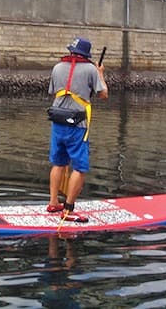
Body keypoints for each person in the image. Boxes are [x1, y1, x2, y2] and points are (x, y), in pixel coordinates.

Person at [46, 37, 108, 222]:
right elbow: (103, 94)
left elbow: (53, 90)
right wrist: (100, 73)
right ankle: (68, 210)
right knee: (79, 168)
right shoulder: (90, 69)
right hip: (77, 125)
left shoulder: (57, 67)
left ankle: (53, 202)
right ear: (86, 54)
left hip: (57, 121)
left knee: (58, 163)